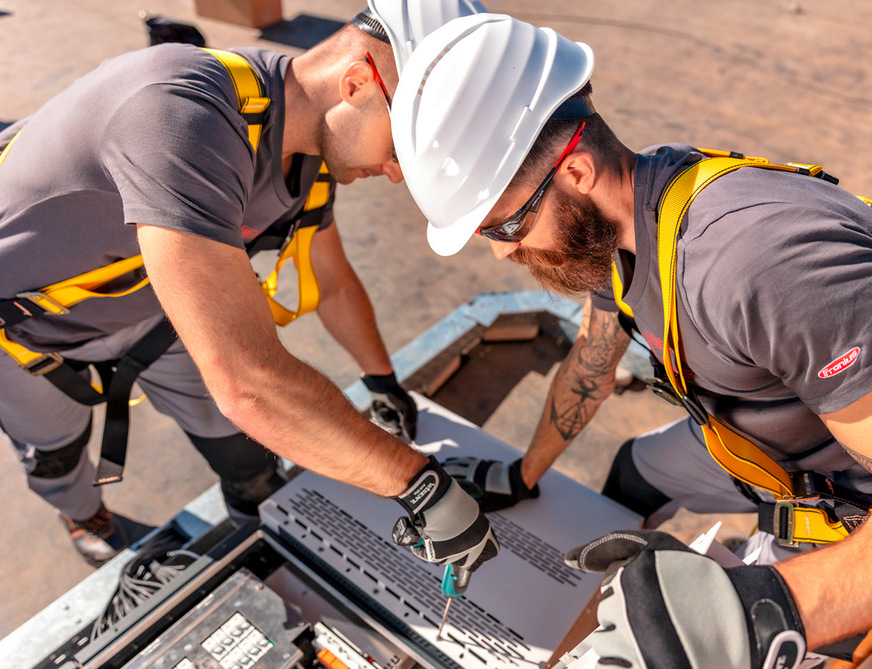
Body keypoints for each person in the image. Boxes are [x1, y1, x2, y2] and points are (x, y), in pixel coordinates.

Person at [391, 13, 872, 668]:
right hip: (760, 437)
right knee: (631, 475)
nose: (504, 256)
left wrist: (766, 609)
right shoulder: (629, 217)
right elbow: (592, 359)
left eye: (504, 227)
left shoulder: (755, 263)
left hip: (844, 478)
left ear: (576, 173)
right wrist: (523, 474)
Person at [0, 0, 497, 576]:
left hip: (157, 312)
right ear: (358, 82)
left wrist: (383, 382)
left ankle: (257, 509)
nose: (396, 173)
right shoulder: (177, 114)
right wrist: (419, 485)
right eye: (402, 150)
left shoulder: (307, 157)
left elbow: (333, 286)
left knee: (242, 446)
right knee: (57, 455)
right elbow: (247, 383)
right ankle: (86, 517)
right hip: (28, 335)